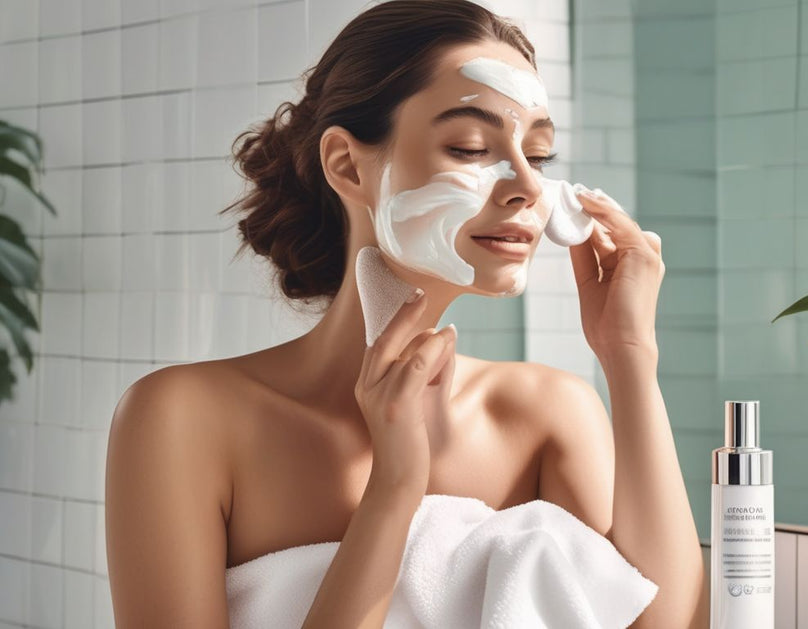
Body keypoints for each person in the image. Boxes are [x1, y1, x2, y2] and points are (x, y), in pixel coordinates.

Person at [104, 1, 706, 627]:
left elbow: (669, 623)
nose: (527, 184)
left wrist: (630, 358)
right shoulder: (183, 418)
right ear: (346, 165)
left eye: (540, 154)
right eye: (470, 147)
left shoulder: (547, 413)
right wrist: (393, 490)